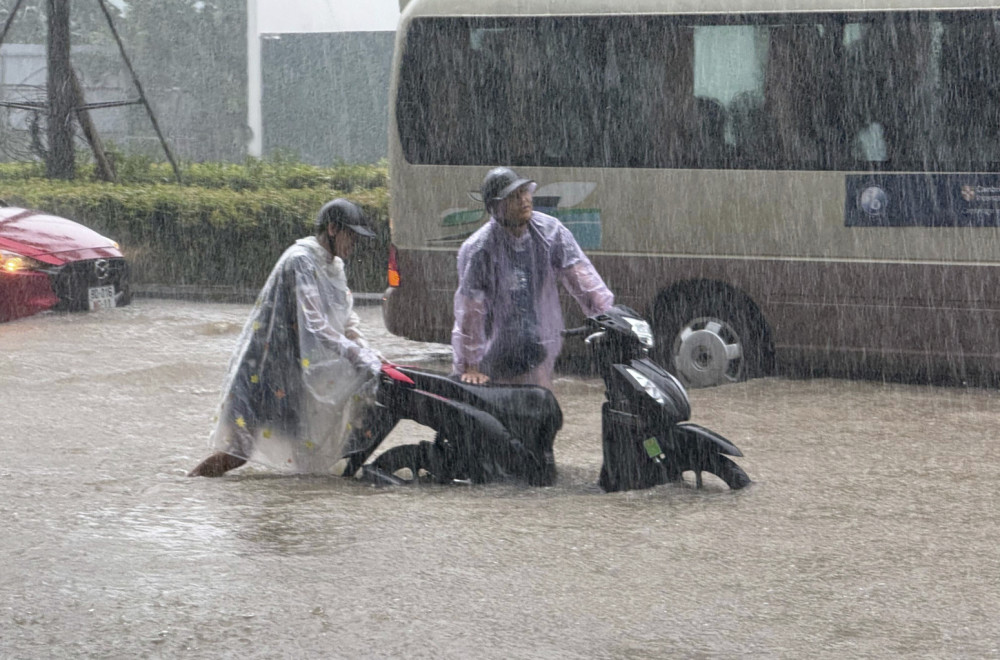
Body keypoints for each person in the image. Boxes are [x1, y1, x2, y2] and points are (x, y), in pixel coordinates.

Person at [189, 199, 384, 477]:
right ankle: (190, 485)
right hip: (265, 370)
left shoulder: (334, 266)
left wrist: (367, 350)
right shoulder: (300, 260)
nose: (355, 243)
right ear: (331, 229)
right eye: (350, 235)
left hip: (293, 375)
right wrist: (355, 354)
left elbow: (345, 319)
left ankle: (298, 510)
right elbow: (314, 321)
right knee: (238, 452)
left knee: (305, 454)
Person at [452, 167, 614, 390]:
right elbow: (471, 311)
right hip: (494, 344)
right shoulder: (481, 249)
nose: (523, 200)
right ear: (495, 208)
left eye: (524, 192)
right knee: (501, 403)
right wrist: (471, 364)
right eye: (513, 197)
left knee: (540, 400)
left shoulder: (549, 232)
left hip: (535, 336)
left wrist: (606, 317)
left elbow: (582, 278)